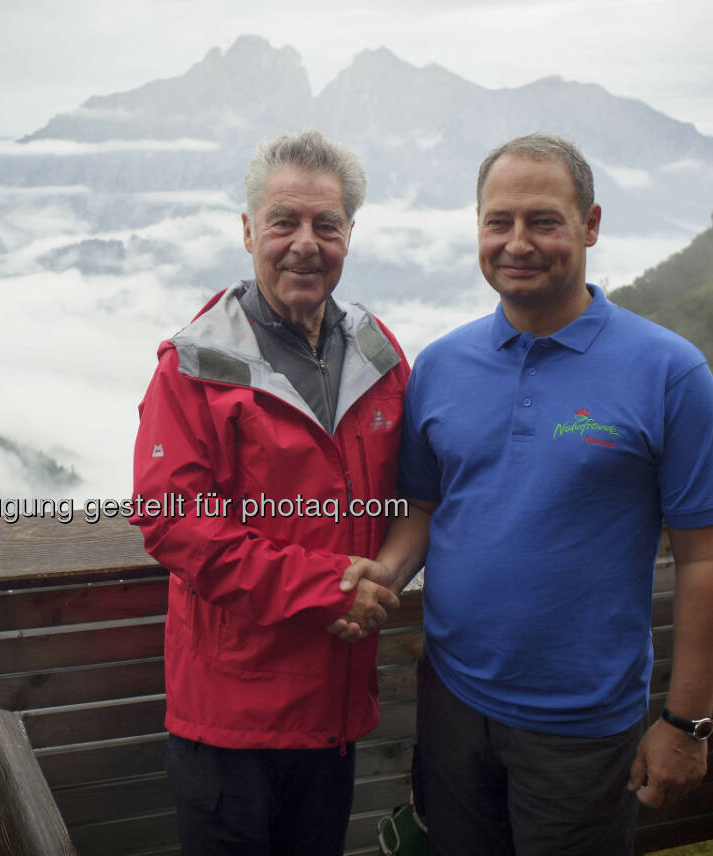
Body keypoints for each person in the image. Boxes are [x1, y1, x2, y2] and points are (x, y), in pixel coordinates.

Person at [351, 132, 713, 855]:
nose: (517, 242)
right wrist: (385, 575)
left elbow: (707, 558)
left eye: (544, 220)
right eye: (498, 221)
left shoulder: (670, 372)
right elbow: (424, 510)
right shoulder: (440, 366)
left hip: (583, 724)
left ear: (590, 225)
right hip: (452, 699)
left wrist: (688, 725)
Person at [131, 128, 411, 856]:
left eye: (327, 224)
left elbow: (412, 493)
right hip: (231, 726)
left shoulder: (379, 355)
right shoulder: (193, 366)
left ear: (350, 233)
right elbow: (174, 524)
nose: (305, 243)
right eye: (284, 221)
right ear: (249, 229)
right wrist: (329, 592)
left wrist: (378, 585)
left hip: (334, 714)